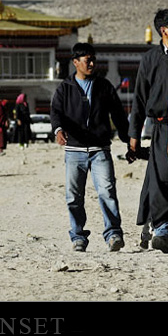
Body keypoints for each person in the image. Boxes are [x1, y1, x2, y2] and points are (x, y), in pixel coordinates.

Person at [51, 42, 131, 253]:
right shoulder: (65, 88)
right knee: (73, 197)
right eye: (87, 60)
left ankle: (113, 234)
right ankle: (78, 237)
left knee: (107, 192)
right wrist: (58, 130)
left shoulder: (104, 87)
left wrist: (129, 140)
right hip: (74, 152)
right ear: (75, 62)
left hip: (100, 150)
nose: (92, 64)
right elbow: (56, 113)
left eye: (93, 59)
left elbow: (119, 116)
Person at [128, 8, 168, 254]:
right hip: (162, 127)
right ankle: (164, 230)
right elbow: (140, 98)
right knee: (163, 179)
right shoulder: (150, 58)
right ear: (164, 30)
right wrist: (133, 137)